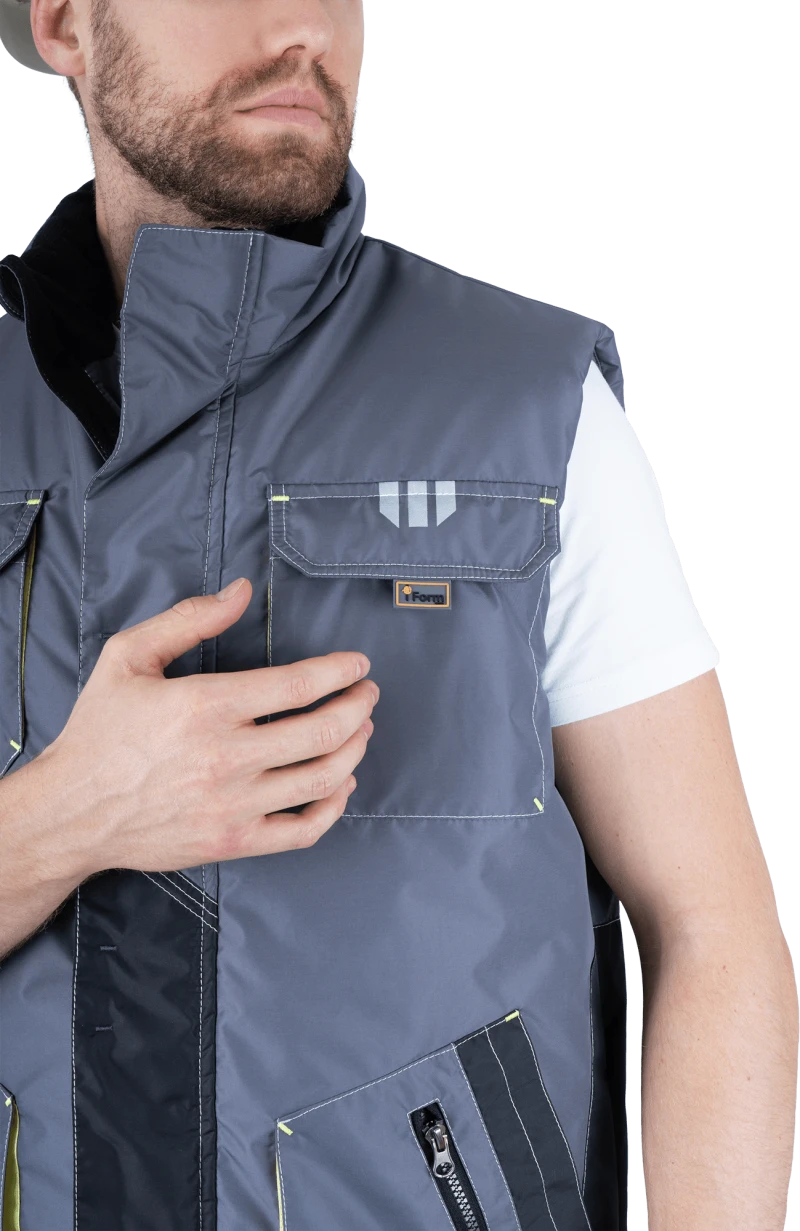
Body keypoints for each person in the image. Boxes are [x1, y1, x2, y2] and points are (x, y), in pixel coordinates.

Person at [0, 3, 797, 1229]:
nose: (299, 27)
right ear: (65, 25)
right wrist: (66, 816)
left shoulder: (520, 405)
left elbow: (710, 929)